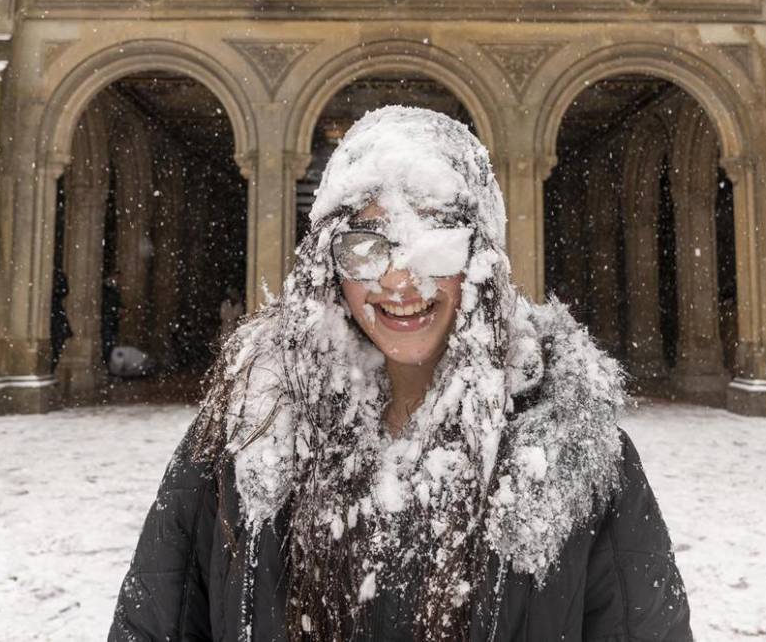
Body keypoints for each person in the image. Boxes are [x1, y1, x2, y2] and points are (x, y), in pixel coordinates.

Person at [110, 107, 691, 641]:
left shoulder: (577, 454)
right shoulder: (242, 437)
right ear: (328, 266)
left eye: (433, 239)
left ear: (479, 258)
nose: (399, 280)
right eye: (366, 246)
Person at [50, 268, 72, 372]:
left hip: (56, 316)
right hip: (53, 317)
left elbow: (64, 291)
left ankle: (51, 370)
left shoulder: (58, 275)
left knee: (57, 345)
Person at [101, 271, 123, 365]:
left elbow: (116, 302)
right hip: (108, 317)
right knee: (107, 342)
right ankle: (106, 362)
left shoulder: (114, 289)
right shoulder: (107, 288)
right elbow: (107, 303)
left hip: (112, 318)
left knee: (110, 342)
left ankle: (108, 363)